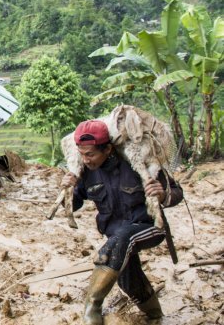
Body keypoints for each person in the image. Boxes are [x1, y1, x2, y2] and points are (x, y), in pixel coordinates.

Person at [61, 120, 183, 325]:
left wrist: (162, 196)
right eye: (82, 154)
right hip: (117, 239)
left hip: (149, 227)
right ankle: (155, 315)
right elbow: (74, 204)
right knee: (128, 279)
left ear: (107, 149)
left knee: (121, 240)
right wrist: (67, 189)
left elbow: (177, 192)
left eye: (90, 154)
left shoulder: (139, 163)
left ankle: (92, 306)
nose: (86, 159)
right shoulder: (86, 172)